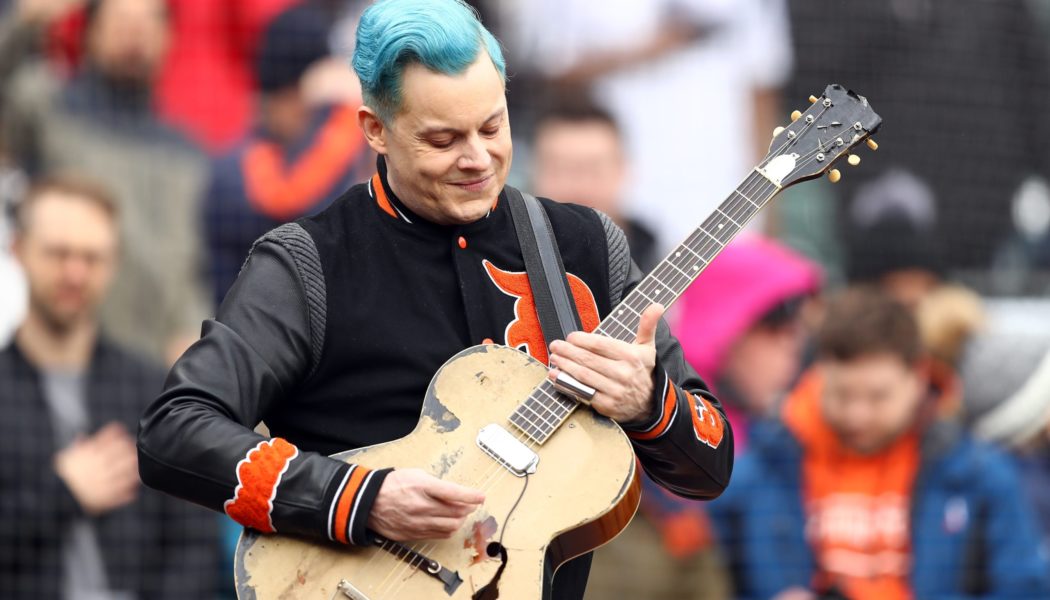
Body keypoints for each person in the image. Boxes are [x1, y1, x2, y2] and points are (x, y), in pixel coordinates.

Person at [137, 1, 735, 598]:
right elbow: (174, 431)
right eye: (443, 139)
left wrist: (647, 403)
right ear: (375, 129)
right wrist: (359, 499)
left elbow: (712, 463)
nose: (477, 159)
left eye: (492, 127)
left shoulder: (586, 246)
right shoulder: (308, 262)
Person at [710, 288, 1050, 599]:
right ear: (817, 376)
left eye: (878, 397)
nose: (858, 414)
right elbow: (699, 583)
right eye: (841, 394)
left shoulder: (979, 475)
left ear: (918, 378)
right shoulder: (758, 472)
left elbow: (1024, 588)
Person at [0, 174, 219, 599]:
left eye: (92, 257)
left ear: (113, 263)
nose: (75, 272)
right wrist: (62, 493)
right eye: (58, 253)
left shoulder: (153, 391)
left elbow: (194, 542)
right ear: (19, 251)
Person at [585, 236, 821, 600]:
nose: (792, 351)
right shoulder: (642, 441)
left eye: (799, 334)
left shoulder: (786, 437)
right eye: (777, 330)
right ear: (725, 325)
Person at [0, 0, 211, 365]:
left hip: (155, 364)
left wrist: (194, 333)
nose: (136, 32)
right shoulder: (50, 113)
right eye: (122, 20)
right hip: (60, 350)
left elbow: (188, 267)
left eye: (149, 21)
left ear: (167, 37)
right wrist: (25, 21)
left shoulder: (188, 153)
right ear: (91, 32)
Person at [205, 3, 372, 303]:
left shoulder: (323, 146)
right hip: (249, 332)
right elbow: (308, 217)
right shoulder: (234, 170)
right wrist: (342, 120)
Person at [531, 98, 660, 272]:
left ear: (624, 170)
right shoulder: (500, 259)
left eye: (594, 170)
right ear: (534, 172)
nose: (580, 187)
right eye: (562, 169)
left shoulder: (663, 263)